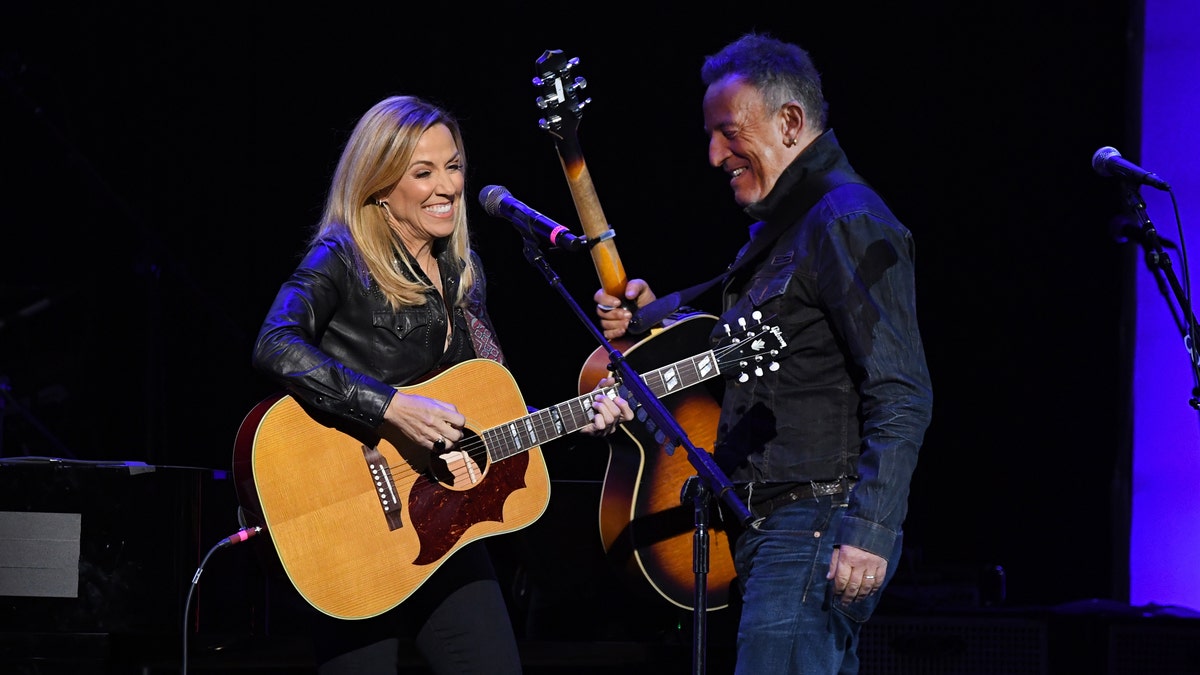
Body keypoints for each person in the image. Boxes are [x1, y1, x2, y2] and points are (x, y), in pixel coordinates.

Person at [251, 94, 634, 675]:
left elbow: (489, 405)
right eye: (423, 172)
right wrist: (391, 408)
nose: (447, 186)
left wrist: (581, 416)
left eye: (453, 167)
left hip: (444, 527)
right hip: (353, 533)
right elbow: (274, 344)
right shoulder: (342, 256)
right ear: (380, 184)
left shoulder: (462, 274)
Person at [593, 33, 933, 674]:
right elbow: (720, 309)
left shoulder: (845, 219)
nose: (715, 154)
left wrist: (870, 532)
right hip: (771, 529)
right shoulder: (788, 230)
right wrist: (647, 314)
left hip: (813, 525)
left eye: (727, 131)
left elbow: (903, 390)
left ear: (791, 122)